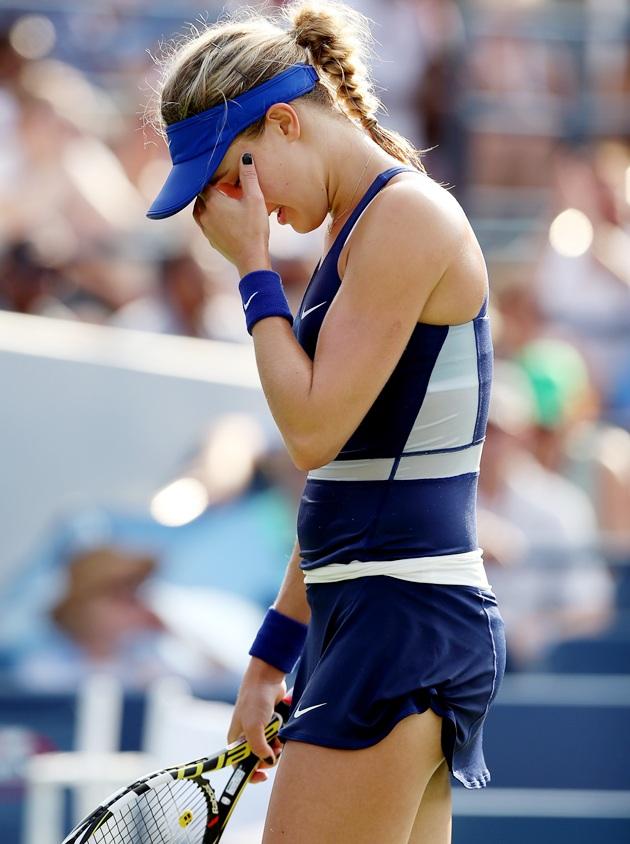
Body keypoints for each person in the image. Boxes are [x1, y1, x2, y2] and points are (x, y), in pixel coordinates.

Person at [145, 2, 505, 841]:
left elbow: (313, 435)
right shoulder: (358, 232)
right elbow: (342, 486)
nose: (239, 207)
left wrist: (252, 273)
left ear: (282, 124)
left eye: (231, 176)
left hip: (402, 618)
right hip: (377, 614)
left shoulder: (405, 217)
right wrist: (269, 659)